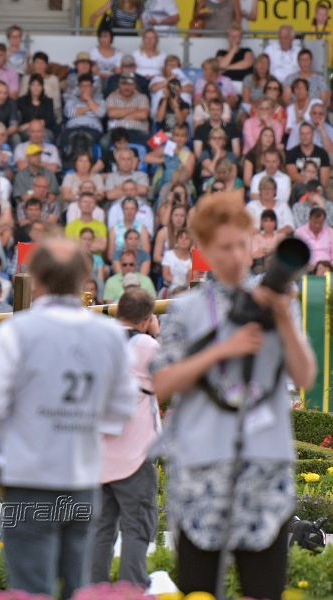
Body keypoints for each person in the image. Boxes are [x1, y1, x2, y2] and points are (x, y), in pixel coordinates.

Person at [151, 192, 316, 598]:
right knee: (199, 591)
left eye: (242, 244)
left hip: (264, 467)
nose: (235, 256)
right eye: (224, 248)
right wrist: (223, 349)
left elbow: (305, 375)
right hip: (200, 467)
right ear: (204, 249)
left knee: (263, 591)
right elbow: (161, 384)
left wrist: (283, 316)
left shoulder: (275, 300)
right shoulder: (187, 308)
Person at [0, 237, 139, 599]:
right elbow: (122, 410)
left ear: (35, 279)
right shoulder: (111, 334)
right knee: (76, 588)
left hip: (29, 479)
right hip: (82, 478)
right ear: (84, 277)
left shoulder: (17, 331)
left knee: (32, 590)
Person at [91, 288, 160, 586]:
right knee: (137, 527)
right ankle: (131, 591)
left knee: (99, 531)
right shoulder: (146, 344)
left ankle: (93, 591)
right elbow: (170, 377)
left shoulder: (97, 340)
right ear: (146, 319)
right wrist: (155, 335)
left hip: (97, 455)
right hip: (135, 454)